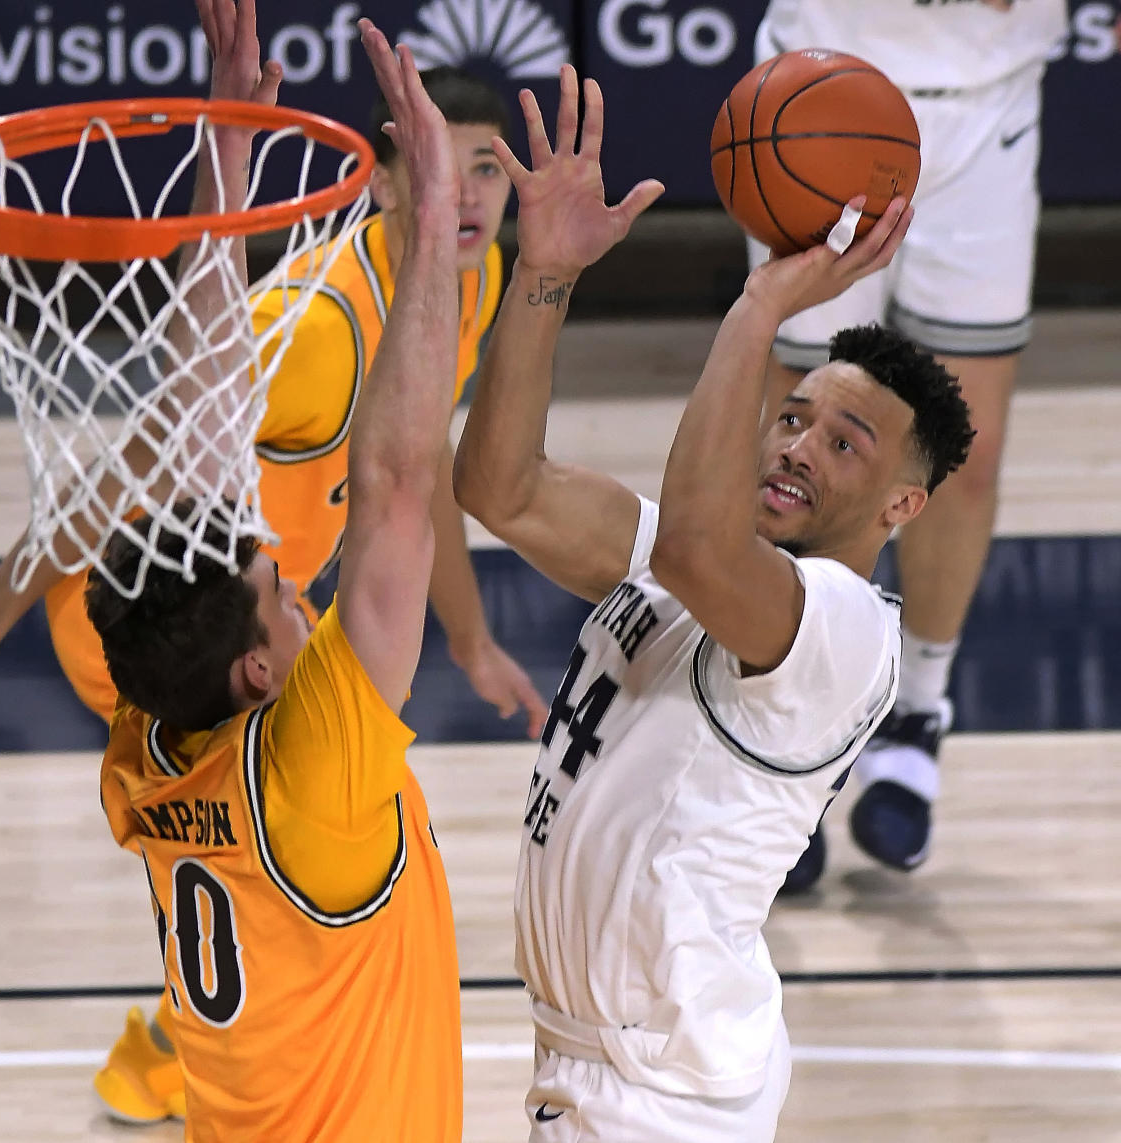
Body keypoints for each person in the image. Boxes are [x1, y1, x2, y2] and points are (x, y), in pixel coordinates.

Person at [0, 13, 545, 1127]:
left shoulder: (469, 283)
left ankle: (175, 1041)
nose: (476, 194)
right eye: (460, 166)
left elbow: (405, 478)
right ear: (396, 174)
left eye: (493, 168)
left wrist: (470, 636)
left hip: (210, 619)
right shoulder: (317, 333)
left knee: (245, 852)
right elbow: (175, 466)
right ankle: (170, 1042)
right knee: (317, 831)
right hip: (126, 603)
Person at [453, 67, 973, 1139]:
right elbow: (497, 486)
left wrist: (762, 301)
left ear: (902, 502)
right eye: (792, 418)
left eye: (843, 443)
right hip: (603, 1067)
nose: (794, 447)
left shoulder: (842, 633)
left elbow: (694, 545)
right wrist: (544, 272)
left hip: (661, 1099)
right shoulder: (686, 558)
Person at [81, 7, 464, 1139]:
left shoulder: (152, 746)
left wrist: (228, 145)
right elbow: (395, 488)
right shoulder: (310, 768)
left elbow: (210, 421)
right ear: (255, 669)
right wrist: (433, 219)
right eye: (283, 594)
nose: (302, 589)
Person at [749, 0, 1070, 889]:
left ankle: (919, 709)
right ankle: (783, 719)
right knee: (803, 448)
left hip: (989, 98)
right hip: (824, 84)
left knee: (961, 462)